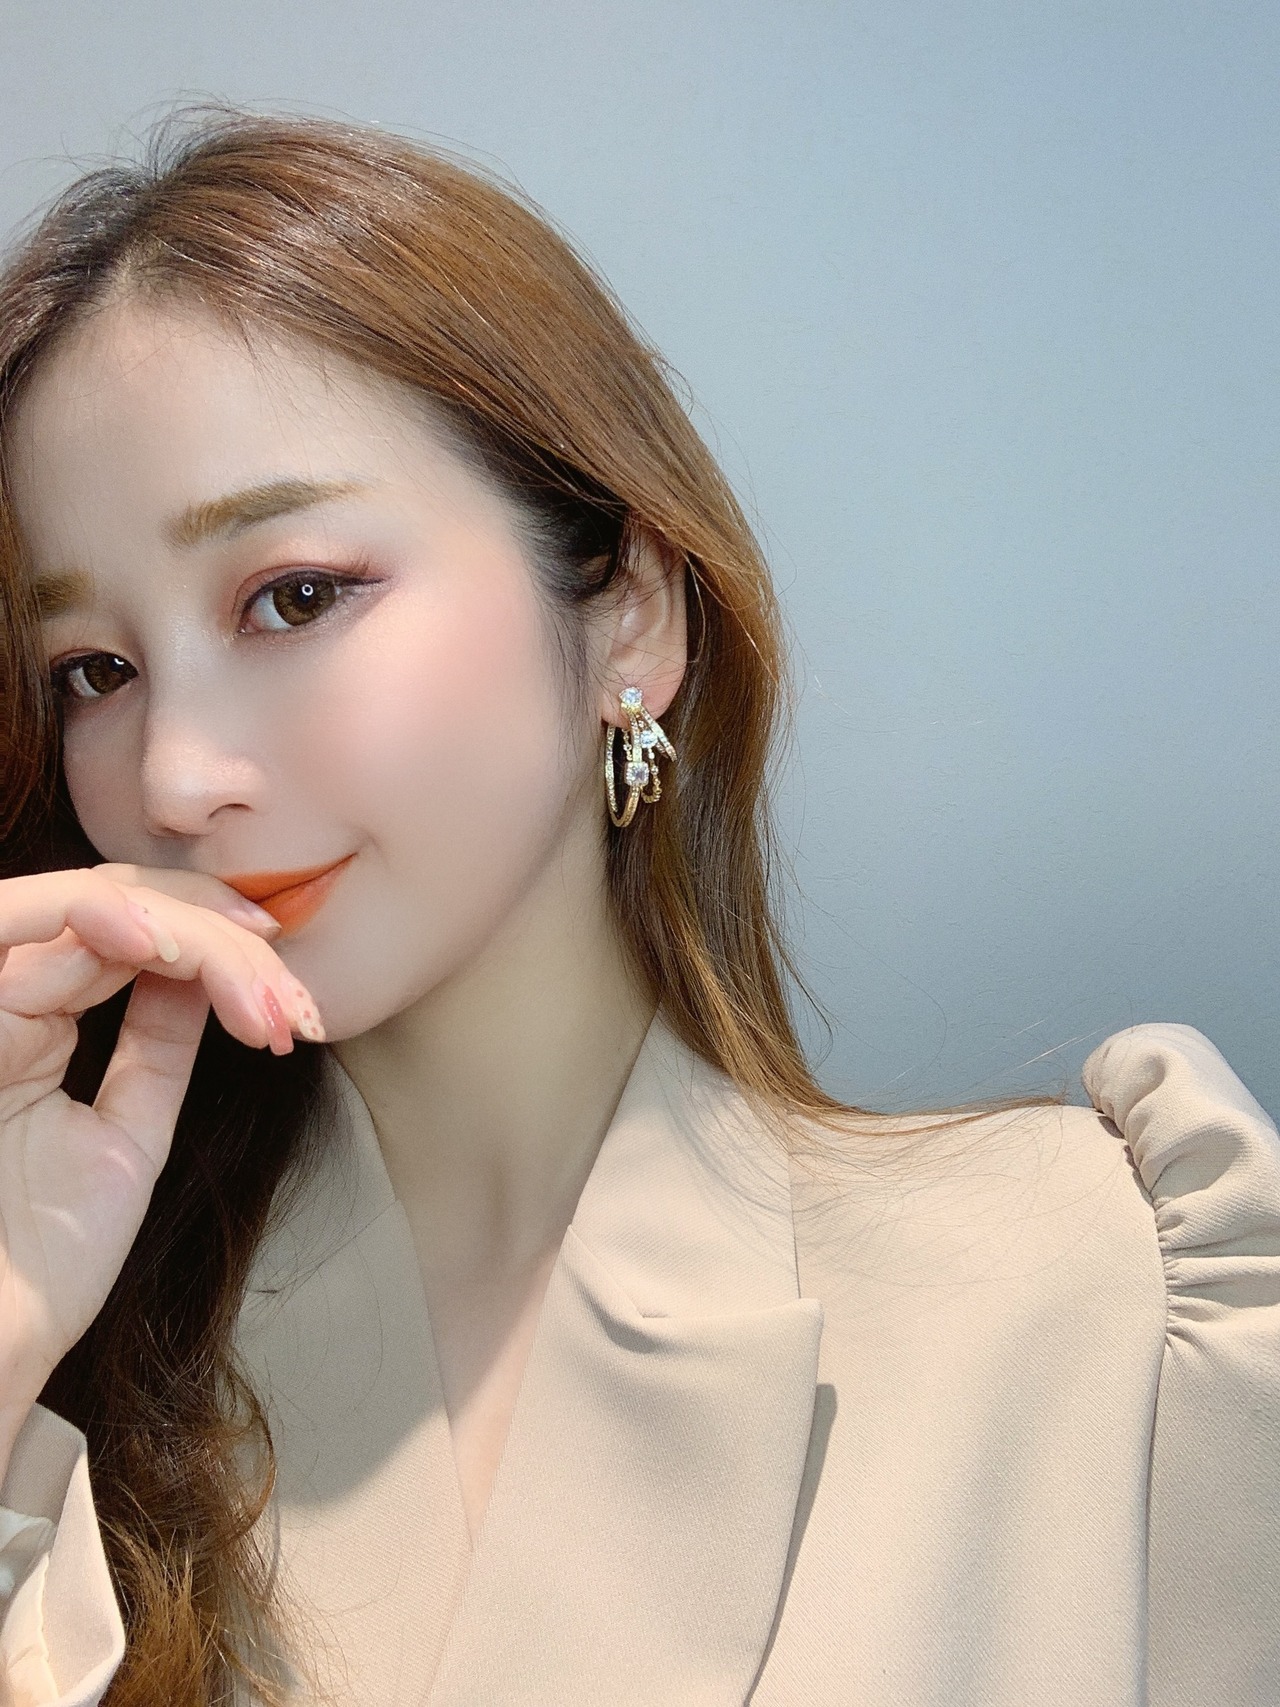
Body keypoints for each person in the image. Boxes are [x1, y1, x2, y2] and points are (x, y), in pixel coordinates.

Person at [0, 107, 1274, 1707]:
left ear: (631, 618)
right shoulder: (63, 1370)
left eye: (295, 595)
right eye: (94, 671)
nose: (176, 775)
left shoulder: (1115, 1298)